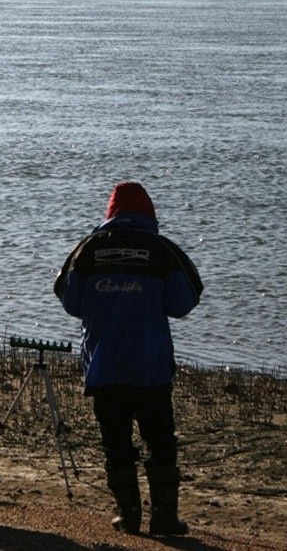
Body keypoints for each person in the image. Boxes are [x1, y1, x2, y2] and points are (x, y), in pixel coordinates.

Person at [54, 181, 203, 536]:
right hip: (150, 368)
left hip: (104, 368)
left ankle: (128, 514)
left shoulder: (88, 249)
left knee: (116, 443)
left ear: (110, 213)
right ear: (149, 215)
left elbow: (68, 299)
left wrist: (106, 297)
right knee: (160, 441)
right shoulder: (161, 249)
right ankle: (165, 516)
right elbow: (186, 300)